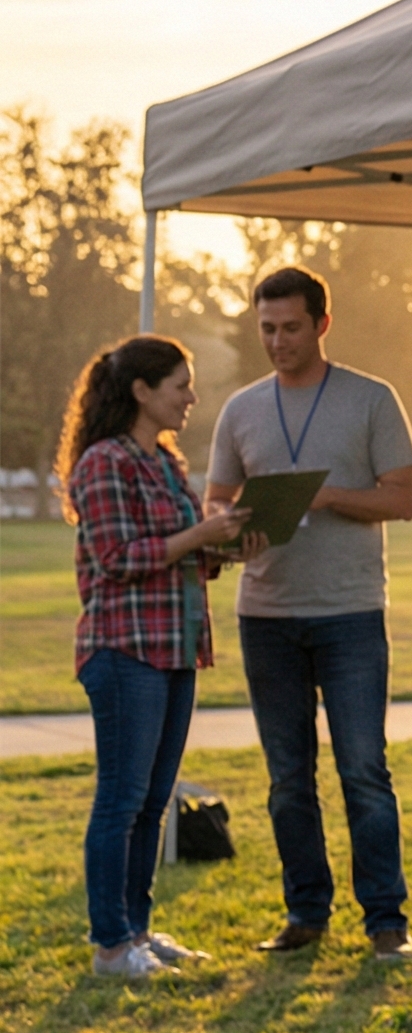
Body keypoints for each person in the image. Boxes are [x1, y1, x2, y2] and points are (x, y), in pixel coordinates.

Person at [204, 266, 412, 961]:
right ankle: (305, 913)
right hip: (265, 613)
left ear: (322, 324)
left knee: (363, 770)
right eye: (266, 328)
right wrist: (230, 525)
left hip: (350, 613)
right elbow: (214, 503)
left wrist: (326, 497)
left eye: (291, 328)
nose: (277, 341)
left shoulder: (371, 399)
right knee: (287, 779)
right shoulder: (241, 409)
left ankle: (387, 921)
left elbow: (402, 501)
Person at [61, 336, 253, 980]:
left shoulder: (166, 461)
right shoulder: (102, 463)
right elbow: (118, 560)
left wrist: (224, 546)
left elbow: (181, 554)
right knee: (121, 800)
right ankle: (110, 945)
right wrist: (198, 534)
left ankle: (137, 930)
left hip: (174, 648)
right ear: (142, 391)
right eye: (180, 385)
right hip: (124, 651)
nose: (191, 398)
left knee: (154, 800)